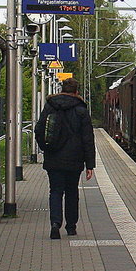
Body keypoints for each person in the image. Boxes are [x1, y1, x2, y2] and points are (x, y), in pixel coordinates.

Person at [34, 78, 96, 240]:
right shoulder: (81, 110)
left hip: (53, 157)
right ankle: (71, 226)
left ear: (62, 89)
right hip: (75, 160)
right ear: (76, 92)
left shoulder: (50, 106)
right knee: (71, 192)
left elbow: (39, 129)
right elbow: (88, 139)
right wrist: (90, 164)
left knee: (55, 191)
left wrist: (46, 147)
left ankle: (55, 223)